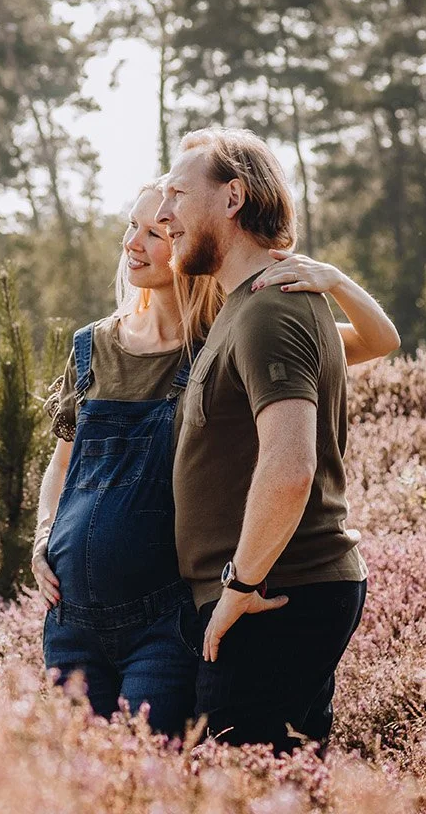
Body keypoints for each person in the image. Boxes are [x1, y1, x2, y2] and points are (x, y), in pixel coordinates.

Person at [34, 177, 398, 739]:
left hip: (166, 616)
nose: (135, 243)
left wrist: (334, 279)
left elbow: (373, 343)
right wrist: (43, 535)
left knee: (153, 770)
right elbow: (62, 464)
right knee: (83, 781)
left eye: (157, 232)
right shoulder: (92, 346)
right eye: (132, 226)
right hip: (71, 620)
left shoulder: (222, 342)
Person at [154, 126, 382, 753]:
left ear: (232, 198)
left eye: (178, 193)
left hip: (274, 598)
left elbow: (289, 470)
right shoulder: (245, 306)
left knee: (237, 785)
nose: (165, 213)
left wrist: (239, 588)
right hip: (279, 594)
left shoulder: (271, 309)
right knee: (287, 786)